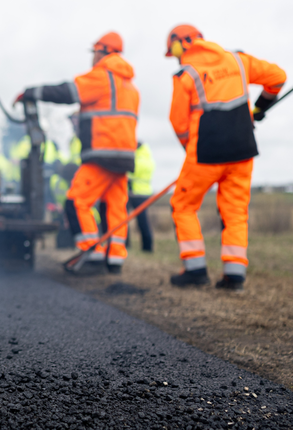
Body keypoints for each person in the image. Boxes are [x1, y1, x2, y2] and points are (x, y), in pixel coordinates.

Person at [166, 25, 286, 290]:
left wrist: (190, 147)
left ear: (179, 45)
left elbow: (178, 123)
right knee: (235, 212)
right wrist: (258, 109)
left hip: (205, 155)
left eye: (172, 51)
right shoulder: (238, 60)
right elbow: (278, 77)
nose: (173, 57)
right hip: (242, 152)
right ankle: (234, 275)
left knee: (183, 205)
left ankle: (195, 269)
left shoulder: (186, 75)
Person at [16, 32, 140, 274]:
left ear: (103, 51)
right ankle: (115, 261)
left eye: (94, 51)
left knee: (76, 202)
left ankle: (91, 253)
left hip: (102, 155)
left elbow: (67, 93)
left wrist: (32, 92)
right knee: (116, 208)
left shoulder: (103, 78)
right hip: (124, 157)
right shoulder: (130, 86)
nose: (93, 57)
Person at [127, 141, 155, 252]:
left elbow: (130, 173)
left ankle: (126, 244)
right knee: (143, 221)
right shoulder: (149, 159)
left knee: (124, 220)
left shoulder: (137, 160)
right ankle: (147, 247)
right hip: (144, 194)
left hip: (134, 193)